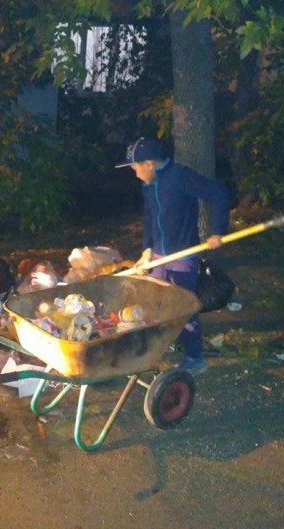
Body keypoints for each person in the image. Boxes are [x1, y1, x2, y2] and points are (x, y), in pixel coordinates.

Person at [115, 137, 231, 375]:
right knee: (154, 305)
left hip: (182, 256)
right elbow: (149, 218)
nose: (135, 173)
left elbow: (217, 193)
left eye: (136, 167)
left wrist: (217, 231)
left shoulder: (180, 176)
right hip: (158, 256)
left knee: (181, 308)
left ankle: (195, 357)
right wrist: (147, 249)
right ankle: (160, 348)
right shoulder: (149, 184)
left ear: (148, 163)